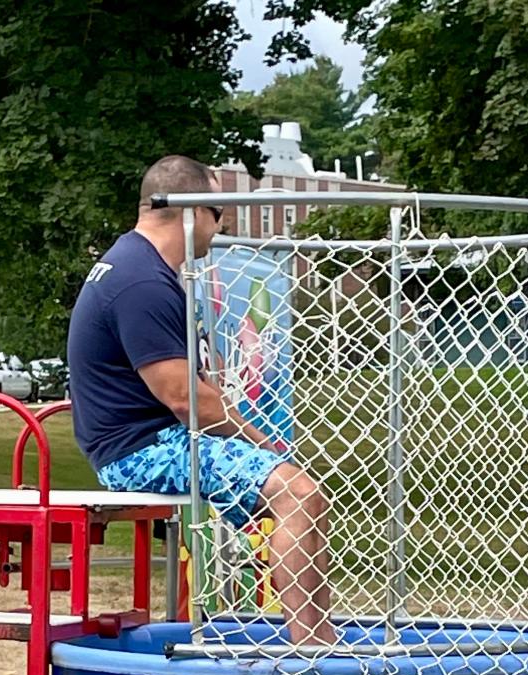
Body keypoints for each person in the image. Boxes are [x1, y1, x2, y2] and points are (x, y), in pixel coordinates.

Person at [67, 155, 335, 647]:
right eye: (219, 213)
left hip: (149, 440)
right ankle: (311, 650)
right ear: (192, 212)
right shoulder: (141, 281)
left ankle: (322, 638)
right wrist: (261, 442)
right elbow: (185, 399)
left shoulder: (136, 265)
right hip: (139, 452)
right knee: (297, 493)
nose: (221, 227)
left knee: (305, 495)